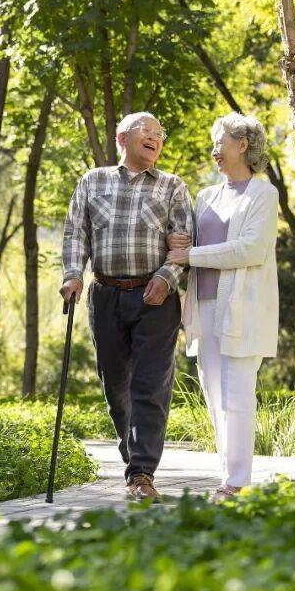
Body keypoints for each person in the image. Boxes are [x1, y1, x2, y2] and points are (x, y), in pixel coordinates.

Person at [60, 112, 193, 500]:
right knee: (115, 384)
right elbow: (75, 231)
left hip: (156, 297)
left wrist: (167, 277)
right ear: (123, 138)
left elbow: (181, 243)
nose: (155, 138)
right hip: (106, 295)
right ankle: (134, 457)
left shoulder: (172, 186)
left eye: (160, 134)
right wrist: (72, 274)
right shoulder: (93, 181)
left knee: (150, 385)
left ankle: (141, 472)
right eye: (147, 132)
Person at [165, 112, 279, 502]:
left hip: (243, 310)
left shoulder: (263, 194)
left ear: (242, 145)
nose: (214, 150)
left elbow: (250, 249)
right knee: (214, 397)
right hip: (204, 307)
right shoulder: (206, 196)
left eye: (220, 142)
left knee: (238, 396)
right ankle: (226, 476)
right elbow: (186, 248)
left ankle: (239, 480)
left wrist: (190, 254)